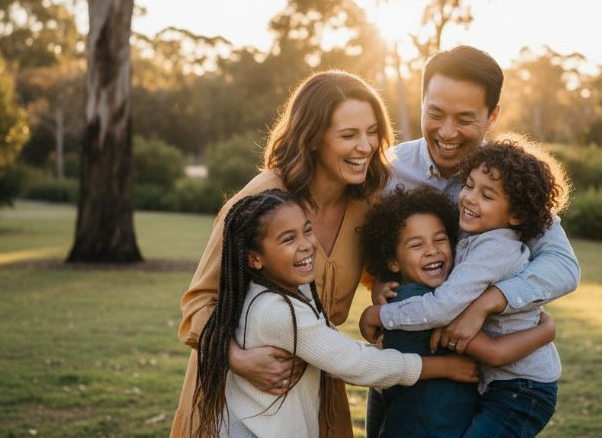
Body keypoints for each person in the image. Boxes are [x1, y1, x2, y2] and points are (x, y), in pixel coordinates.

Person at [364, 45, 581, 438]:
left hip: (483, 374)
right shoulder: (387, 172)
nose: (447, 132)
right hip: (405, 356)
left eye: (465, 119)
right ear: (422, 102)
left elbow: (563, 267)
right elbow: (357, 242)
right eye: (435, 114)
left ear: (492, 116)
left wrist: (487, 302)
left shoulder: (509, 181)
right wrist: (374, 279)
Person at [171, 70, 397, 438]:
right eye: (348, 135)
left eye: (372, 132)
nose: (366, 146)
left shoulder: (365, 202)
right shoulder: (260, 201)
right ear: (312, 139)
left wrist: (382, 286)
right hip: (238, 392)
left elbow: (369, 268)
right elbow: (200, 301)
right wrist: (237, 358)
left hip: (315, 386)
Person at [192, 189, 478, 437]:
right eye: (288, 239)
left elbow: (335, 347)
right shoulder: (275, 310)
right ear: (255, 257)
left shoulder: (292, 290)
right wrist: (443, 367)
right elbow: (353, 363)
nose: (306, 244)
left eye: (307, 230)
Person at [360, 186, 556, 438]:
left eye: (440, 240)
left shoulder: (415, 298)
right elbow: (494, 353)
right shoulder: (426, 307)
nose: (432, 250)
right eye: (416, 244)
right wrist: (547, 330)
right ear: (393, 261)